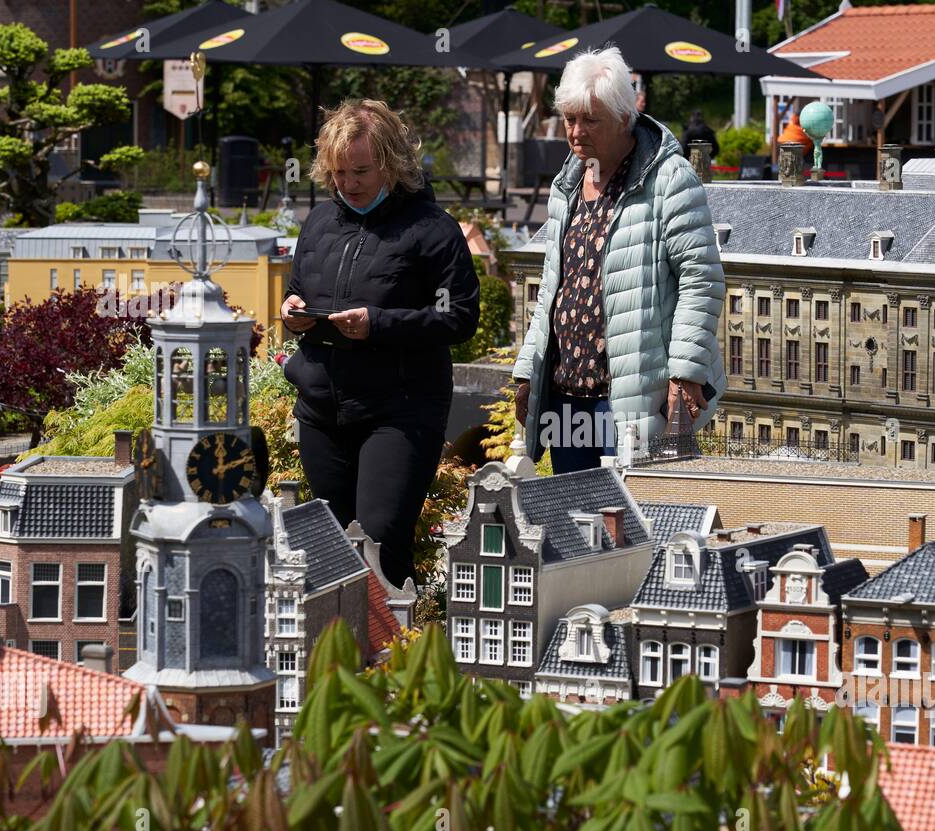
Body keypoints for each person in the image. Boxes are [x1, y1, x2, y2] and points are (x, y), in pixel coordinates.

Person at [280, 99, 479, 589]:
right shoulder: (319, 223)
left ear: (391, 162)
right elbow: (298, 289)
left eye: (361, 171)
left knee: (380, 545)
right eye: (339, 172)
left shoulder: (433, 231)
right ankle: (337, 658)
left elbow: (459, 317)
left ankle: (397, 658)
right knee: (329, 550)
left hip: (400, 411)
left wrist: (379, 324)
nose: (348, 183)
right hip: (322, 409)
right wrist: (292, 313)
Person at [513, 47, 726, 473]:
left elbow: (700, 277)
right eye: (570, 119)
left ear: (624, 118)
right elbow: (554, 285)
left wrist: (685, 372)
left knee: (636, 525)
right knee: (574, 523)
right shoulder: (568, 183)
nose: (575, 132)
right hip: (566, 396)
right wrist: (527, 372)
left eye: (590, 120)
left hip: (633, 397)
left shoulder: (669, 177)